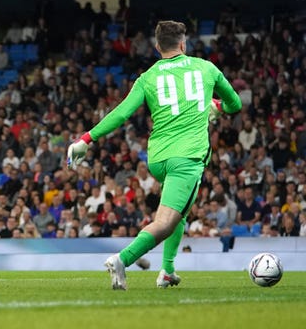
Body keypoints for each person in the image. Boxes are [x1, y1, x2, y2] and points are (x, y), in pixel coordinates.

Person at [67, 20, 242, 290]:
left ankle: (168, 271)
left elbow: (122, 113)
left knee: (180, 213)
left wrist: (86, 138)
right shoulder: (207, 68)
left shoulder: (147, 77)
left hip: (158, 159)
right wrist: (216, 105)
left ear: (158, 46)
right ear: (184, 44)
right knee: (165, 222)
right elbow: (236, 104)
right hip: (187, 157)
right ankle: (122, 259)